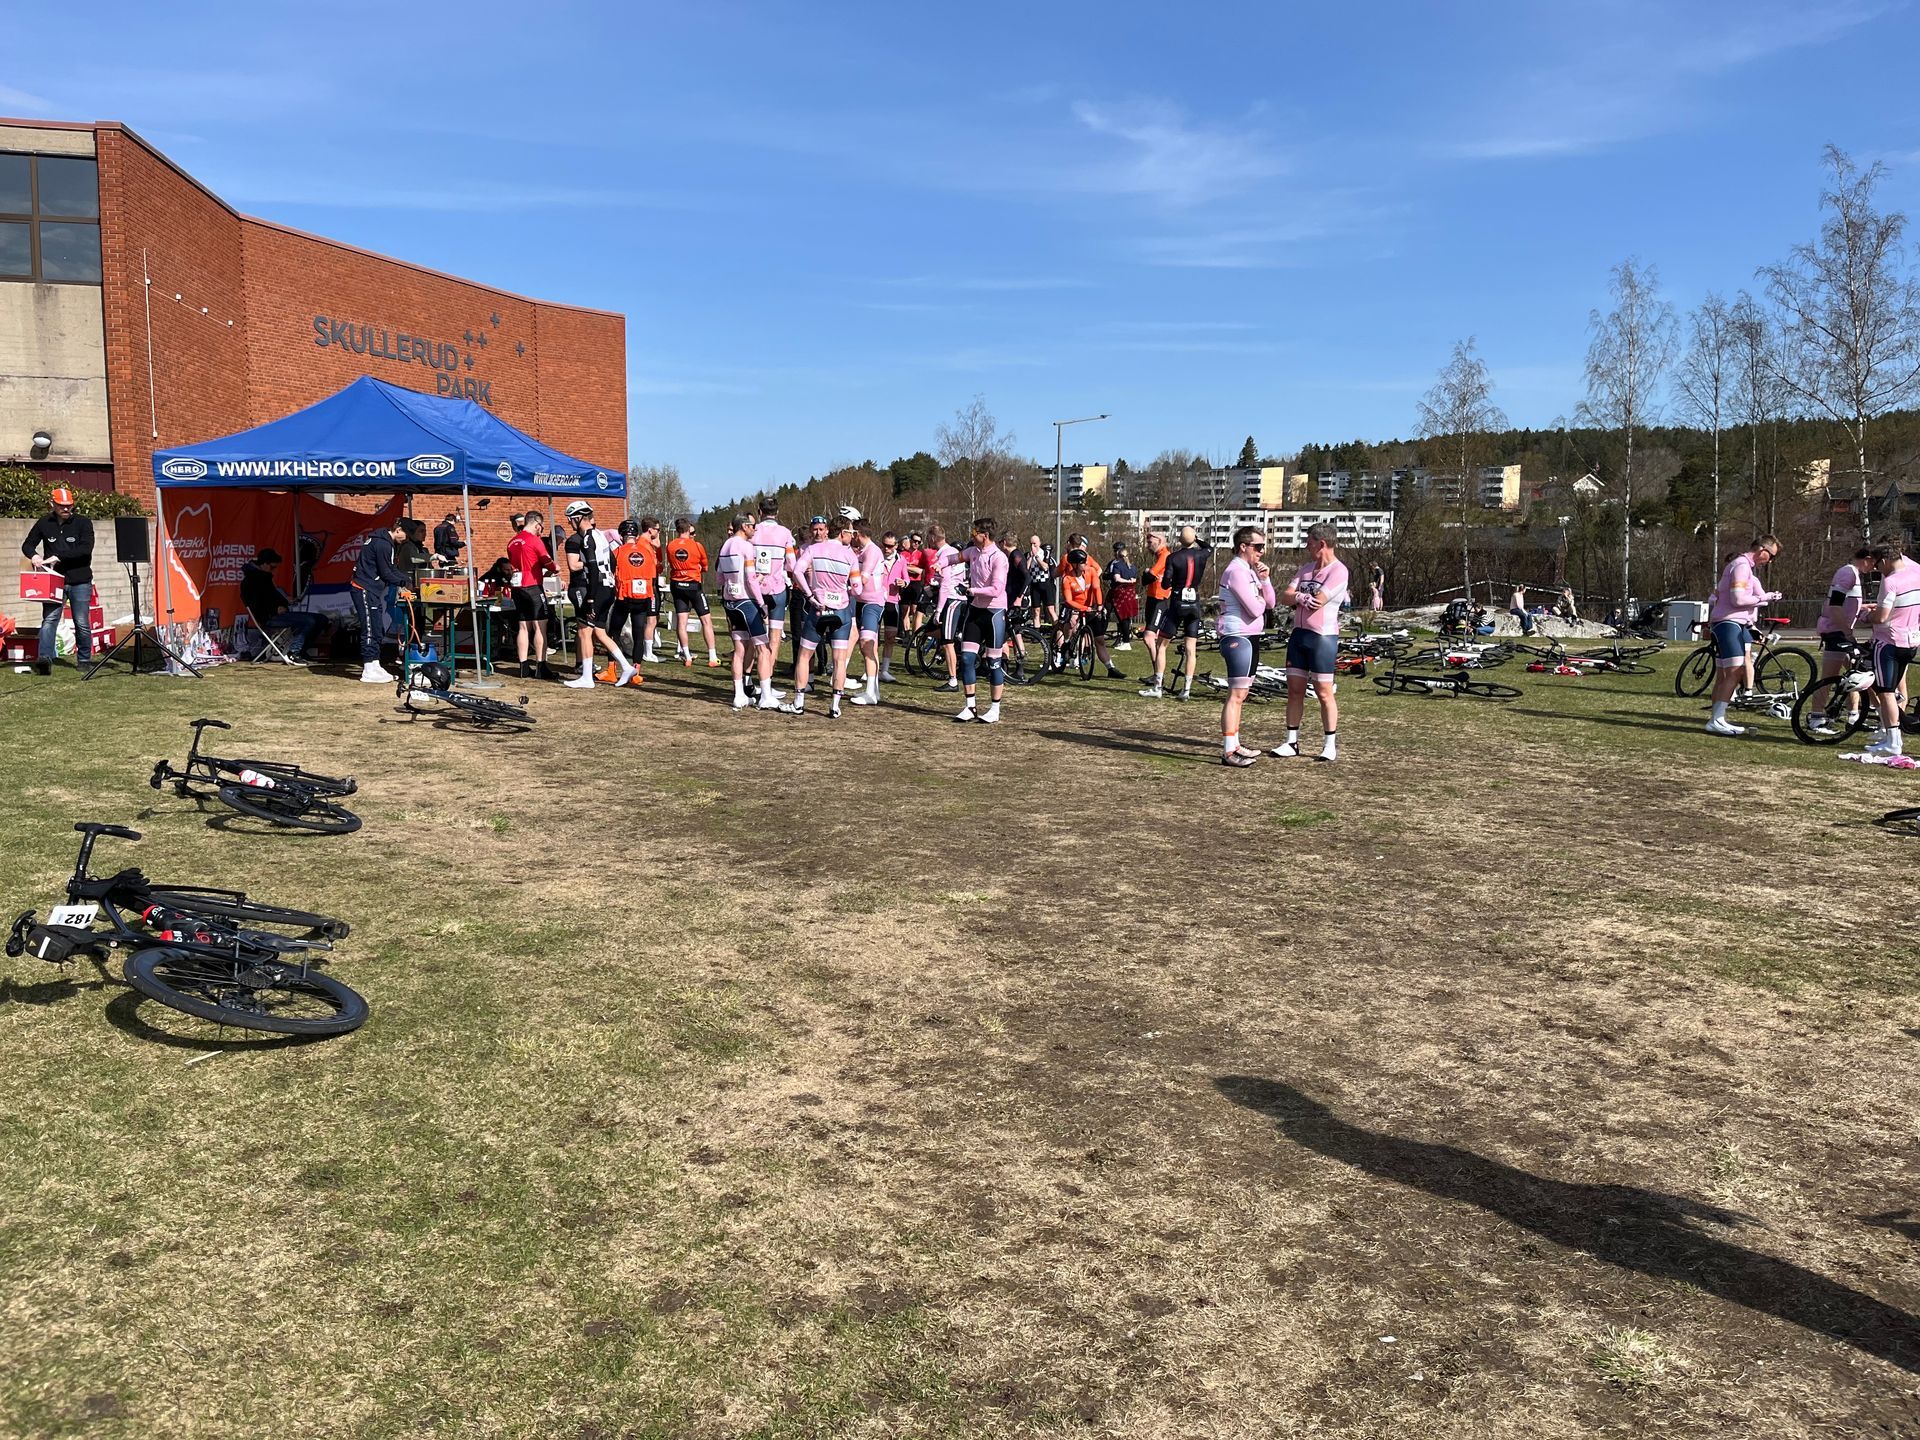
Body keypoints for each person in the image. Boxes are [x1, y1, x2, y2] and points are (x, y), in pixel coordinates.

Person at [1272, 523, 1349, 762]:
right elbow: (1285, 597)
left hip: (1322, 638)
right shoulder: (1305, 569)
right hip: (1299, 636)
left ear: (1321, 544)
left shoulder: (1339, 571)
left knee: (1323, 692)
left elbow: (1319, 600)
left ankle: (1329, 744)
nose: (1307, 546)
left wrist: (1300, 598)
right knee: (1294, 690)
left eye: (1310, 542)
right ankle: (1291, 742)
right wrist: (1299, 596)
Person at [1704, 534, 1783, 737]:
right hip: (1729, 623)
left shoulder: (1742, 566)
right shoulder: (1741, 565)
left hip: (1729, 623)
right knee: (1735, 671)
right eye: (1772, 556)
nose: (1771, 561)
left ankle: (1717, 718)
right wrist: (1765, 597)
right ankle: (1717, 720)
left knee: (1724, 674)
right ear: (1762, 550)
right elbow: (1738, 600)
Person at [783, 515, 859, 717]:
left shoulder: (813, 549)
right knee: (839, 660)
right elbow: (858, 588)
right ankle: (835, 706)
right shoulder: (850, 556)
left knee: (804, 655)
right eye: (850, 532)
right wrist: (846, 590)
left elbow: (797, 572)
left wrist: (810, 595)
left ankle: (799, 703)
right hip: (841, 611)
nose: (852, 536)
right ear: (842, 533)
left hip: (818, 608)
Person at [1216, 526, 1278, 767]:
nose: (1262, 551)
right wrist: (1259, 600)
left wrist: (1265, 580)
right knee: (1236, 694)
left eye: (1263, 546)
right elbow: (1254, 609)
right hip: (1237, 636)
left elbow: (1269, 603)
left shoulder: (1250, 572)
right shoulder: (1236, 571)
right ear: (1243, 546)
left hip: (1251, 636)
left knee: (1242, 694)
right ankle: (1228, 751)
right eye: (1258, 546)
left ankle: (1235, 743)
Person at [19, 486, 95, 674]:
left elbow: (85, 549)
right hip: (53, 581)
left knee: (81, 621)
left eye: (69, 505)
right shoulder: (44, 523)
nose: (66, 509)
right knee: (50, 619)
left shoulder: (83, 523)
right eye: (61, 505)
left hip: (80, 580)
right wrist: (34, 556)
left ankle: (84, 660)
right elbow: (27, 544)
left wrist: (58, 557)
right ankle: (44, 659)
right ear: (52, 504)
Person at [561, 500, 635, 690]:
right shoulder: (600, 535)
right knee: (600, 632)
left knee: (584, 632)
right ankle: (627, 667)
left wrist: (590, 598)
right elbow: (612, 561)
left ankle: (586, 677)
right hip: (607, 587)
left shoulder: (587, 538)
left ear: (578, 518)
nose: (569, 522)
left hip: (597, 589)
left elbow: (593, 568)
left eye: (571, 519)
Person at [1858, 540, 1919, 757]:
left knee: (1886, 692)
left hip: (1889, 642)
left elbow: (1882, 616)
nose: (1877, 570)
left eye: (1877, 565)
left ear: (1884, 561)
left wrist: (1866, 616)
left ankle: (1892, 740)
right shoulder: (1917, 574)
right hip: (1911, 641)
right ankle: (1892, 736)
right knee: (1893, 690)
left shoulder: (1891, 581)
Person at [1810, 545, 1879, 734]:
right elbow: (1835, 606)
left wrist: (1863, 607)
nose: (1874, 568)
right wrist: (1847, 632)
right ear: (1866, 559)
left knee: (1855, 673)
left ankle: (1853, 716)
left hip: (1839, 631)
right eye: (1873, 564)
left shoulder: (1853, 574)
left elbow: (1843, 603)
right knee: (1829, 677)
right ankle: (1816, 718)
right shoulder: (1848, 573)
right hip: (1836, 633)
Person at [716, 512, 776, 710]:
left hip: (730, 602)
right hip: (746, 602)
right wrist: (761, 602)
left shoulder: (725, 546)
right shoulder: (746, 547)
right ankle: (766, 696)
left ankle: (739, 695)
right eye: (752, 526)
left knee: (739, 650)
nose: (754, 529)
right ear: (743, 526)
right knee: (763, 649)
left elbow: (719, 578)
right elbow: (750, 579)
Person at [953, 517, 1011, 724]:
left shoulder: (999, 557)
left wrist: (972, 590)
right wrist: (938, 564)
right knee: (967, 659)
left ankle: (995, 709)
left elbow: (996, 589)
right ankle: (970, 706)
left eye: (974, 532)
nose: (971, 535)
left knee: (993, 662)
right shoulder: (973, 552)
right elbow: (954, 557)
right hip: (976, 611)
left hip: (994, 612)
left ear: (984, 535)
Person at [349, 515, 412, 684]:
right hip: (364, 588)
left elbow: (391, 568)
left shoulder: (385, 542)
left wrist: (407, 579)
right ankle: (368, 668)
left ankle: (375, 664)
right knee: (370, 628)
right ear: (398, 530)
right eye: (406, 535)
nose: (406, 539)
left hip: (372, 590)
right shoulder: (383, 544)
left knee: (377, 627)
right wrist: (404, 582)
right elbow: (386, 573)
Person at [1056, 539, 1124, 678]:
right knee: (1072, 623)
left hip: (1090, 608)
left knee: (1099, 640)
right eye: (1083, 563)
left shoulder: (1091, 572)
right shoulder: (1067, 579)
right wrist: (1082, 608)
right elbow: (1068, 600)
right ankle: (1066, 644)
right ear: (1075, 565)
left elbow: (1096, 588)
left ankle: (1110, 668)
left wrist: (1099, 605)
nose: (1086, 564)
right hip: (1074, 607)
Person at [240, 548, 323, 658]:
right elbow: (255, 604)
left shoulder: (264, 577)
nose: (273, 570)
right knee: (309, 621)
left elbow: (272, 596)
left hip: (277, 613)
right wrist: (275, 609)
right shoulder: (251, 581)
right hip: (269, 617)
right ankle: (294, 652)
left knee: (321, 619)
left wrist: (286, 601)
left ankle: (301, 650)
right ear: (264, 564)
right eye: (272, 567)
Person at [749, 497, 798, 678]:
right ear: (777, 512)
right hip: (777, 590)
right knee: (775, 637)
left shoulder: (753, 532)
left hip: (755, 589)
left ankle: (750, 677)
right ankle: (768, 678)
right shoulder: (785, 533)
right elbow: (791, 564)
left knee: (753, 636)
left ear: (760, 512)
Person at [1160, 526, 1210, 700]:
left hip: (1177, 602)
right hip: (1194, 603)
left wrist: (1168, 582)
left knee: (1161, 645)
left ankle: (1157, 686)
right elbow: (1209, 547)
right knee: (1190, 648)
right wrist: (1196, 539)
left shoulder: (1173, 557)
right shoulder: (1202, 555)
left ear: (1179, 540)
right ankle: (1186, 689)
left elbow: (1165, 583)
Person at [506, 513, 557, 680]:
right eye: (541, 527)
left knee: (523, 626)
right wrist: (555, 568)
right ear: (537, 524)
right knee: (540, 625)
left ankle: (523, 666)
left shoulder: (512, 542)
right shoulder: (535, 540)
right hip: (533, 585)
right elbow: (547, 561)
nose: (541, 531)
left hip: (517, 586)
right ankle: (541, 666)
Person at [607, 518, 656, 687]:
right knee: (638, 634)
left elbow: (611, 573)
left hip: (624, 597)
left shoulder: (617, 552)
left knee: (613, 632)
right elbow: (653, 575)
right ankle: (636, 672)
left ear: (621, 536)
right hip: (642, 598)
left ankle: (611, 670)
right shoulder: (647, 552)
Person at [849, 514, 892, 706]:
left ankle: (870, 693)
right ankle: (873, 690)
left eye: (853, 533)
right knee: (867, 646)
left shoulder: (872, 551)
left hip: (872, 603)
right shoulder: (861, 550)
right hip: (861, 602)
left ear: (858, 534)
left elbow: (863, 579)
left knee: (866, 644)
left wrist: (845, 590)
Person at [664, 519, 718, 667]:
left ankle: (687, 655)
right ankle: (712, 657)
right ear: (688, 530)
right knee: (706, 621)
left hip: (677, 585)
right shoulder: (696, 545)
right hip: (693, 585)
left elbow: (670, 562)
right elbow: (705, 566)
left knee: (682, 622)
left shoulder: (670, 545)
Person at [928, 522, 966, 691]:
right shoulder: (951, 552)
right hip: (957, 597)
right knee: (939, 634)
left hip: (952, 599)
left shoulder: (945, 554)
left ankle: (953, 680)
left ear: (932, 538)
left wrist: (938, 610)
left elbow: (946, 584)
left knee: (947, 641)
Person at [1137, 530, 1171, 697]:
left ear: (1160, 541)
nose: (1148, 545)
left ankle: (1159, 676)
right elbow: (1147, 579)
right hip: (1152, 598)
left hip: (1160, 600)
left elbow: (1148, 577)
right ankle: (1157, 674)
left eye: (1151, 542)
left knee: (1149, 637)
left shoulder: (1164, 555)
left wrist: (1147, 573)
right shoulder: (1159, 556)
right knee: (1151, 638)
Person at [876, 529, 909, 684]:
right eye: (884, 545)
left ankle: (885, 670)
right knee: (872, 637)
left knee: (890, 637)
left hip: (892, 600)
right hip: (876, 600)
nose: (886, 548)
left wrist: (904, 583)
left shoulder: (901, 560)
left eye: (890, 546)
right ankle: (871, 670)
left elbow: (906, 578)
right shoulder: (876, 557)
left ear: (896, 546)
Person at [1107, 542, 1139, 650]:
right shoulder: (1132, 567)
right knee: (1126, 617)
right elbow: (1134, 579)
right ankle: (1124, 640)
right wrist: (1130, 582)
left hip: (1121, 593)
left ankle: (1125, 641)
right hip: (1130, 593)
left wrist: (1126, 581)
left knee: (1123, 617)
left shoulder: (1117, 565)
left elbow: (1117, 578)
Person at [900, 531, 928, 637]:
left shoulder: (921, 555)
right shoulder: (903, 554)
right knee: (905, 610)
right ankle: (906, 634)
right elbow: (900, 568)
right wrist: (913, 569)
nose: (916, 543)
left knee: (915, 609)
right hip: (905, 583)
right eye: (914, 541)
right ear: (910, 541)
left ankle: (914, 635)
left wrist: (907, 567)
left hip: (917, 583)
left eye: (918, 542)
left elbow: (921, 571)